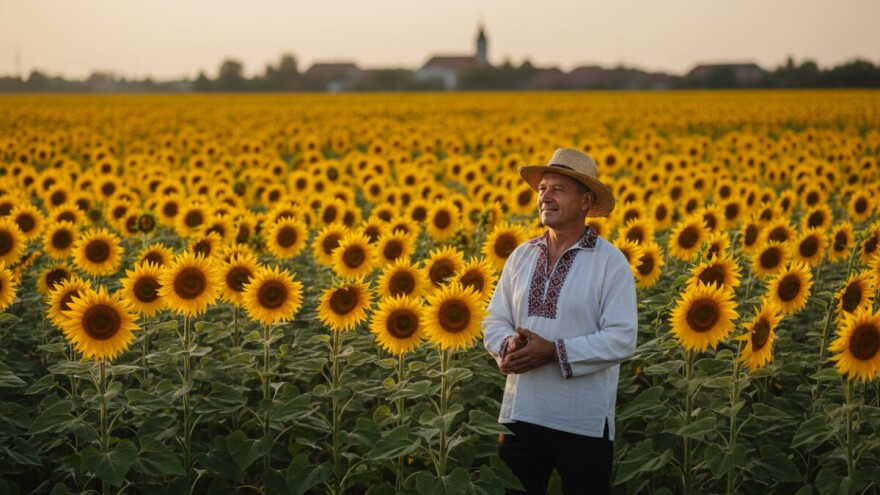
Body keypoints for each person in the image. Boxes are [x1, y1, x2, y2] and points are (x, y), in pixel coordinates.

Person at [483, 148, 638, 495]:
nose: (545, 197)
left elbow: (622, 338)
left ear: (585, 202)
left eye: (557, 189)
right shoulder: (521, 255)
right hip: (522, 413)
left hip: (583, 422)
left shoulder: (610, 263)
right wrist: (508, 345)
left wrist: (554, 351)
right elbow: (495, 318)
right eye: (542, 189)